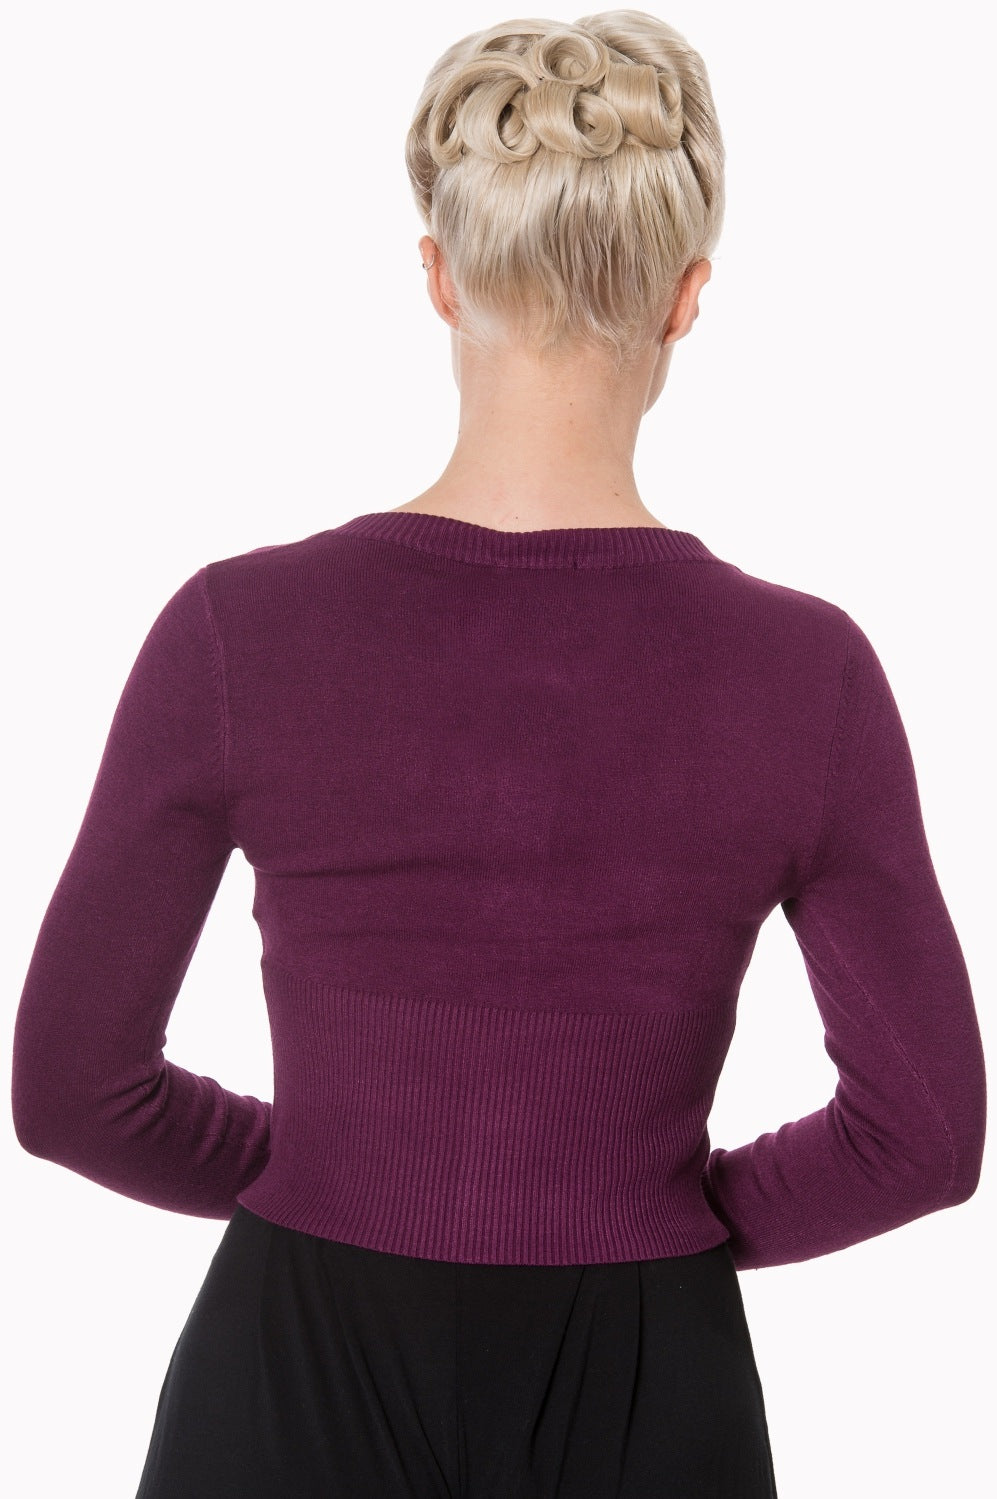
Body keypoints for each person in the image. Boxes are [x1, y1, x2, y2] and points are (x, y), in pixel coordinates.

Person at [11, 11, 986, 1498]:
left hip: (290, 1360)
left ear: (438, 275)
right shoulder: (807, 673)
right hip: (648, 1377)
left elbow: (74, 1090)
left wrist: (326, 1173)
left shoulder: (239, 632)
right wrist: (667, 1220)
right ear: (687, 298)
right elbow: (921, 1136)